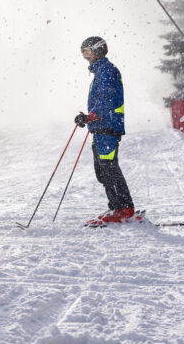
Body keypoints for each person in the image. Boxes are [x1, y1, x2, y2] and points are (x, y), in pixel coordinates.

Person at [74, 36, 134, 226]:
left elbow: (106, 98)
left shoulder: (106, 70)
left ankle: (124, 208)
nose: (86, 57)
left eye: (87, 52)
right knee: (102, 170)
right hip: (101, 126)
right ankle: (116, 206)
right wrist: (88, 116)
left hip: (107, 126)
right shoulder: (101, 71)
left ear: (97, 50)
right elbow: (101, 100)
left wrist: (92, 116)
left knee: (109, 168)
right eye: (83, 53)